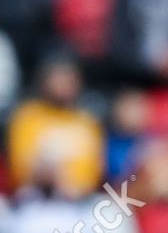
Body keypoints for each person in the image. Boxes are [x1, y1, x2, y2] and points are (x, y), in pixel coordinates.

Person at [7, 53, 103, 197]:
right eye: (58, 78)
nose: (64, 84)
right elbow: (19, 167)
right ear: (45, 81)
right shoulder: (27, 117)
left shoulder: (87, 122)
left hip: (79, 199)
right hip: (36, 197)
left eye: (69, 78)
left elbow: (94, 172)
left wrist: (71, 183)